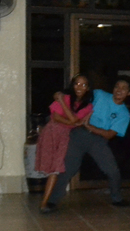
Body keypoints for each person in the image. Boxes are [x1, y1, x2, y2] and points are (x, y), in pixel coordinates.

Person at [42, 77, 130, 213]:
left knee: (112, 170)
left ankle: (117, 198)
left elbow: (109, 134)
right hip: (78, 135)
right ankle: (51, 202)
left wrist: (90, 127)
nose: (119, 90)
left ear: (129, 93)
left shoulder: (124, 114)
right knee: (67, 169)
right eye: (117, 87)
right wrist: (59, 94)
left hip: (98, 140)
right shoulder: (100, 95)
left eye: (123, 88)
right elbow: (79, 92)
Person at [34, 75, 93, 211]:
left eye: (83, 85)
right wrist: (72, 121)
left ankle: (44, 203)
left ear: (88, 88)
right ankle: (46, 201)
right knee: (49, 167)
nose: (79, 87)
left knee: (56, 168)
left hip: (65, 137)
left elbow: (73, 120)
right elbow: (55, 117)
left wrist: (66, 111)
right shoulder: (66, 97)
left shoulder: (87, 106)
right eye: (77, 84)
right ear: (72, 85)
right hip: (51, 133)